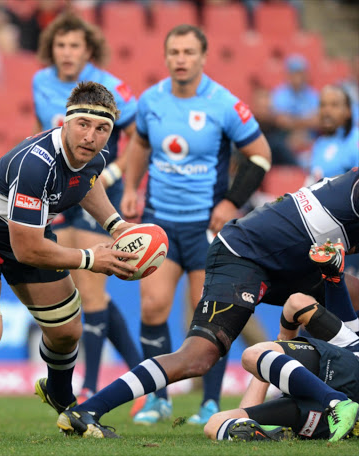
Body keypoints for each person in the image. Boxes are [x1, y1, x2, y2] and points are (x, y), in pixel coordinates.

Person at [56, 168, 359, 439]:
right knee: (197, 356)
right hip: (243, 255)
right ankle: (87, 411)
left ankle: (323, 396)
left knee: (346, 294)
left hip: (290, 261)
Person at [0, 81, 139, 438]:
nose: (92, 136)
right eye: (83, 125)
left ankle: (63, 402)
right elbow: (27, 250)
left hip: (26, 232)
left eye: (102, 129)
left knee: (67, 333)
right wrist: (89, 258)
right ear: (65, 122)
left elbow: (87, 181)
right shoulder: (36, 164)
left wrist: (117, 225)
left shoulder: (96, 152)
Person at [119, 24, 271, 425]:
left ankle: (209, 402)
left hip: (207, 226)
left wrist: (230, 202)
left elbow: (260, 156)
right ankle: (157, 399)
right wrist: (132, 187)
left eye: (188, 52)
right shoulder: (151, 100)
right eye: (174, 52)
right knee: (152, 307)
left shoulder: (224, 104)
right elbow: (139, 144)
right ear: (166, 57)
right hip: (160, 223)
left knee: (208, 314)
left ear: (203, 56)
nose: (180, 59)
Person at [33, 12, 142, 403]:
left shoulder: (111, 88)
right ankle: (147, 378)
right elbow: (45, 134)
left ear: (89, 50)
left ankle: (92, 387)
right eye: (60, 45)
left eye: (74, 45)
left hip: (94, 187)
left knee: (92, 293)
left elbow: (137, 139)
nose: (66, 52)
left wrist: (112, 176)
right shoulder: (40, 82)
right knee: (91, 291)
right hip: (61, 188)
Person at [205, 254, 359, 442]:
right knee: (215, 424)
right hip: (321, 416)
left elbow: (296, 302)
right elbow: (298, 303)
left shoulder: (348, 342)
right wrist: (274, 358)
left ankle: (336, 403)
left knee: (251, 355)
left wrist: (283, 339)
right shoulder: (344, 335)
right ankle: (273, 434)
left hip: (335, 389)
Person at [309, 85, 359, 182]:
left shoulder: (355, 141)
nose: (326, 111)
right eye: (322, 105)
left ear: (348, 110)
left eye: (334, 105)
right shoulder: (319, 143)